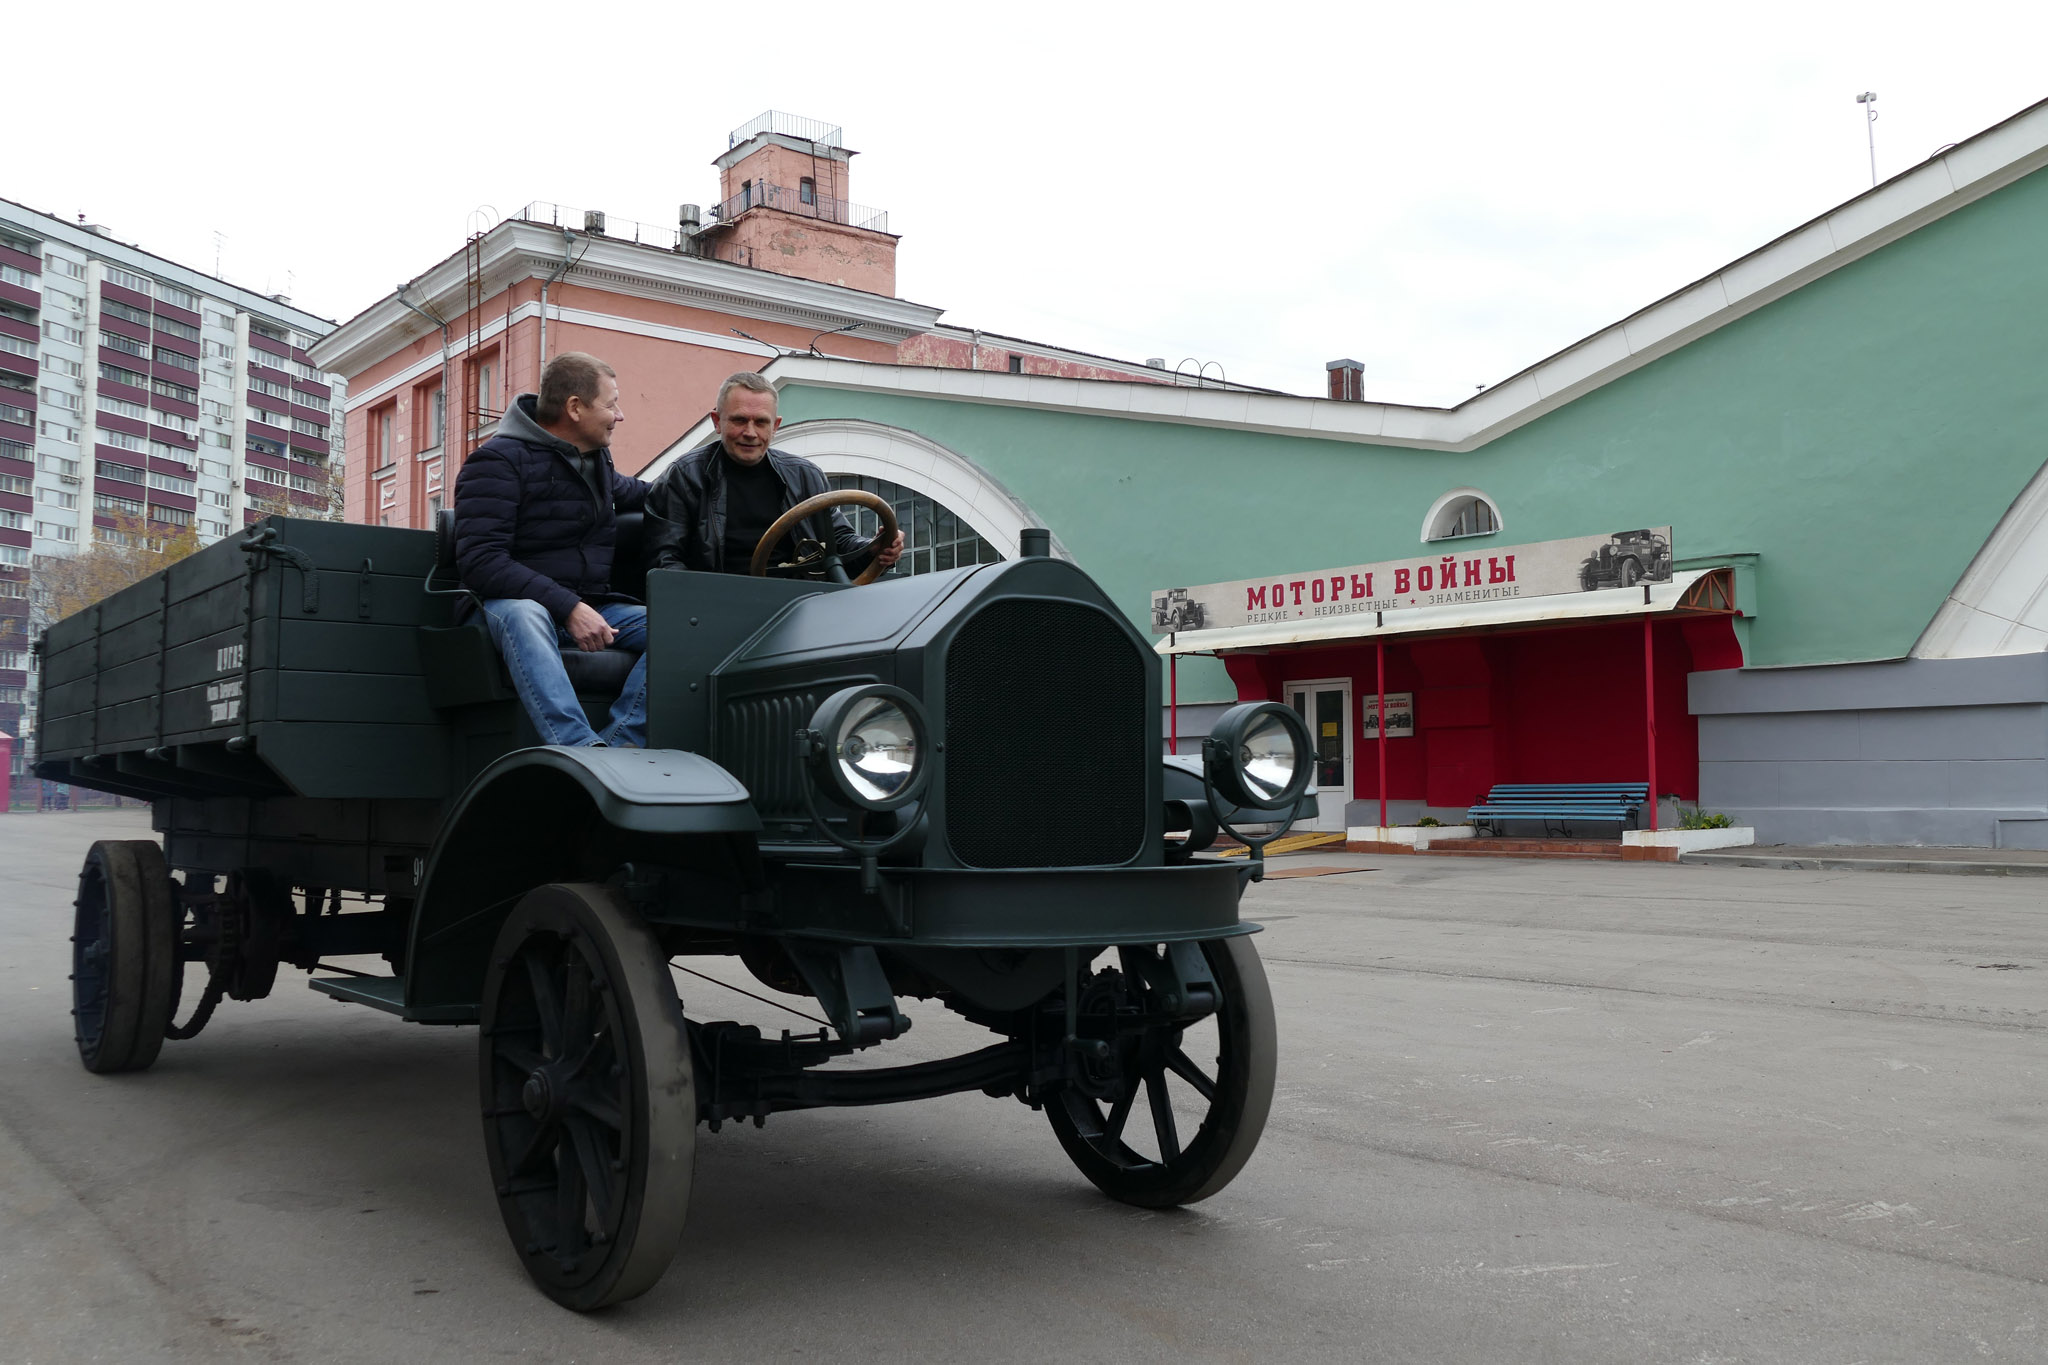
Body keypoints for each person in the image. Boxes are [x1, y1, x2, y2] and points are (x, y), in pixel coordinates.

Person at [454, 352, 651, 747]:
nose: (620, 415)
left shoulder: (595, 463)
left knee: (679, 626)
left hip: (588, 603)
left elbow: (648, 495)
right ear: (575, 408)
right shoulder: (495, 461)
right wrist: (568, 607)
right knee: (526, 614)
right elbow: (482, 562)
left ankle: (621, 743)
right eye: (611, 404)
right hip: (504, 608)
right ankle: (577, 748)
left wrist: (706, 482)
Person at [643, 371, 904, 578]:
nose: (750, 432)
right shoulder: (685, 477)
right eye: (739, 420)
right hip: (715, 607)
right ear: (717, 421)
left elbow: (838, 542)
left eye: (760, 422)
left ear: (775, 426)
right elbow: (664, 564)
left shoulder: (805, 476)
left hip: (797, 605)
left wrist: (873, 547)